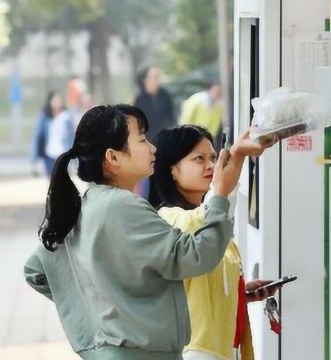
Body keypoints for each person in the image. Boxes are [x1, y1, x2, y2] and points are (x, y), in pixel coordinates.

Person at [24, 104, 270, 359]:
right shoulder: (122, 205)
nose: (152, 148)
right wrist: (220, 194)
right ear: (113, 158)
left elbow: (36, 269)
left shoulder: (88, 204)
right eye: (141, 139)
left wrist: (96, 316)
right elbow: (197, 256)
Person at [149, 125, 278, 360]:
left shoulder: (211, 223)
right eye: (199, 159)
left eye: (213, 157)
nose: (210, 166)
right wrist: (237, 158)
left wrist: (239, 292)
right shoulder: (167, 219)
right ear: (172, 171)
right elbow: (204, 221)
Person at [134, 66, 176, 198]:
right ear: (145, 80)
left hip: (163, 142)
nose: (157, 81)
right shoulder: (139, 99)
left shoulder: (165, 96)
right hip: (146, 143)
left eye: (158, 77)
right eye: (154, 77)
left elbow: (171, 118)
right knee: (146, 176)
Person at [30, 91, 75, 176]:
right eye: (55, 101)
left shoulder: (66, 116)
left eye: (59, 100)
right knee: (50, 178)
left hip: (62, 152)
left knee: (62, 179)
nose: (57, 103)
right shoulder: (44, 117)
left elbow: (71, 137)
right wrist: (35, 159)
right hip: (49, 153)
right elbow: (38, 136)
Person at [179, 82, 224, 151]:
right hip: (191, 134)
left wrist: (209, 137)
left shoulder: (218, 106)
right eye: (216, 91)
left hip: (204, 136)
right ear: (210, 89)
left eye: (219, 92)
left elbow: (215, 124)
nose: (217, 93)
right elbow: (186, 118)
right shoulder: (197, 100)